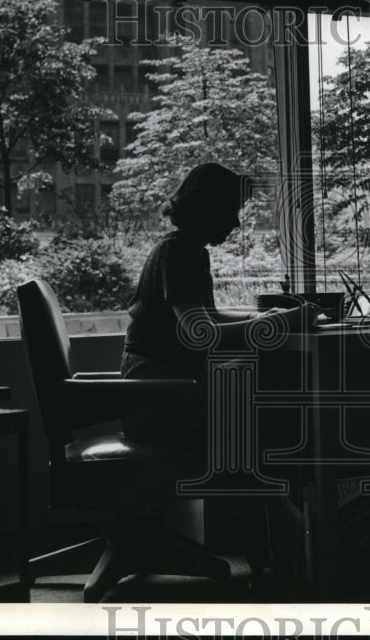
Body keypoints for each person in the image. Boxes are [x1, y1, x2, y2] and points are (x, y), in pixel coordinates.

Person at [120, 162, 314, 597]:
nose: (235, 221)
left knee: (261, 415)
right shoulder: (181, 254)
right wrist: (275, 325)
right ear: (208, 208)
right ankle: (285, 530)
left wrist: (267, 318)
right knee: (275, 420)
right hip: (159, 398)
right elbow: (199, 334)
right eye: (231, 211)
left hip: (154, 392)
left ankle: (279, 526)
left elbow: (198, 322)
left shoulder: (179, 249)